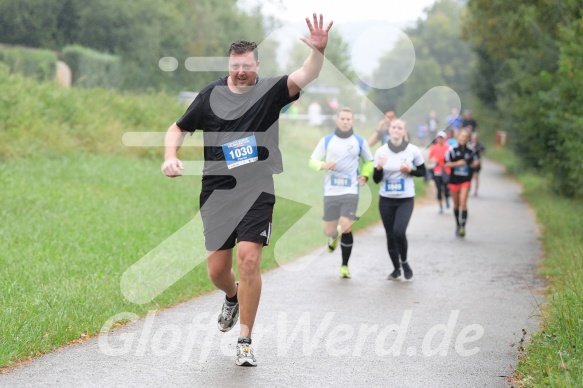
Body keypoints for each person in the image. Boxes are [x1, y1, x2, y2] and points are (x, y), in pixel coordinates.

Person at [161, 14, 333, 367]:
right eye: (235, 66)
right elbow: (177, 128)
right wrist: (170, 155)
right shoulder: (210, 95)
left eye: (247, 66)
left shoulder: (270, 91)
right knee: (217, 271)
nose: (241, 71)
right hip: (217, 192)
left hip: (257, 190)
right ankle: (231, 295)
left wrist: (317, 52)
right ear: (229, 65)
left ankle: (245, 339)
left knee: (250, 259)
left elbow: (307, 74)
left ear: (257, 66)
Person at [309, 107, 374, 279]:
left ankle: (344, 266)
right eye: (343, 119)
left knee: (346, 224)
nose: (345, 121)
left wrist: (366, 175)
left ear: (352, 121)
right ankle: (333, 236)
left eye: (348, 119)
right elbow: (312, 160)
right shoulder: (327, 140)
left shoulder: (359, 141)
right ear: (337, 120)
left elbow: (369, 162)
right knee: (330, 230)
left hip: (351, 190)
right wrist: (323, 165)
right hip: (331, 191)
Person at [372, 119, 426, 281]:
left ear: (404, 131)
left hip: (405, 199)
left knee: (399, 232)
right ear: (389, 130)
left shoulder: (413, 151)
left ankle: (405, 262)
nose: (396, 130)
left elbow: (423, 172)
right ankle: (396, 269)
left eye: (399, 128)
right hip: (386, 200)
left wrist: (410, 171)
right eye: (393, 127)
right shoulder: (381, 151)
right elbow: (376, 179)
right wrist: (379, 168)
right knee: (390, 235)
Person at [444, 128, 480, 237]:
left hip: (465, 180)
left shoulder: (471, 150)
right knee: (456, 204)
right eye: (461, 136)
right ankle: (458, 224)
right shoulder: (451, 150)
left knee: (463, 202)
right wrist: (457, 164)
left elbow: (476, 161)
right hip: (454, 180)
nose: (463, 138)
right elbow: (445, 164)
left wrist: (474, 164)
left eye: (465, 137)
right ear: (458, 137)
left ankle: (463, 226)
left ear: (468, 138)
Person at [428, 131, 451, 214]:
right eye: (439, 138)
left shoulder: (449, 148)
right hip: (437, 171)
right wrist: (433, 160)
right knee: (439, 189)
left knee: (446, 188)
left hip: (446, 171)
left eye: (441, 138)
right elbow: (429, 159)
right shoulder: (433, 147)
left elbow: (452, 159)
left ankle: (447, 198)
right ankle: (440, 206)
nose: (440, 139)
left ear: (444, 139)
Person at [469, 132, 486, 196]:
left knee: (476, 176)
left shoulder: (479, 145)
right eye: (473, 137)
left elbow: (483, 151)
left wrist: (480, 152)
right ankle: (468, 189)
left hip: (477, 162)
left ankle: (476, 190)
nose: (474, 139)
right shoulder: (469, 144)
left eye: (475, 138)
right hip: (470, 162)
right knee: (469, 177)